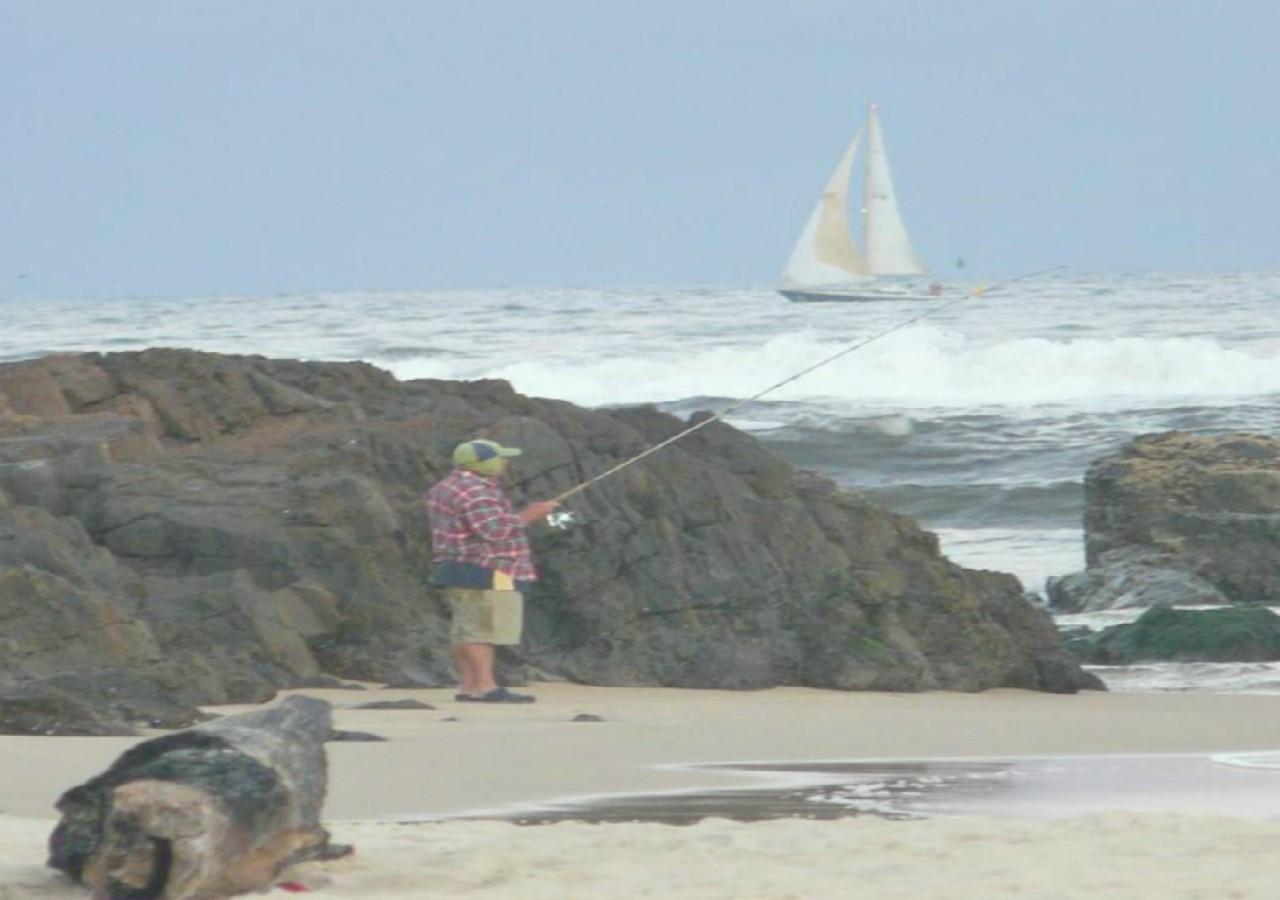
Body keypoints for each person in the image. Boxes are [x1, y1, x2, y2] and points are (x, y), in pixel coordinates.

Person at [425, 438, 559, 703]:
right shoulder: (476, 491)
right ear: (484, 463)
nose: (506, 463)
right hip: (488, 568)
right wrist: (532, 514)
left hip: (455, 566)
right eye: (501, 458)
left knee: (465, 628)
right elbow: (494, 531)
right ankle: (485, 687)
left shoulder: (445, 487)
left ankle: (470, 686)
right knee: (482, 630)